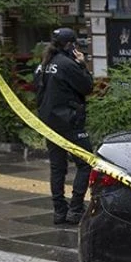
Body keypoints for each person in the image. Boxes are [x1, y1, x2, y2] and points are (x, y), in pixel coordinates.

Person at [35, 28, 94, 226]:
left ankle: (59, 211)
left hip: (49, 123)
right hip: (70, 122)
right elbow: (87, 87)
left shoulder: (43, 65)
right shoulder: (68, 64)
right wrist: (83, 65)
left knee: (57, 167)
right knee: (86, 163)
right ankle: (75, 209)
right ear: (70, 45)